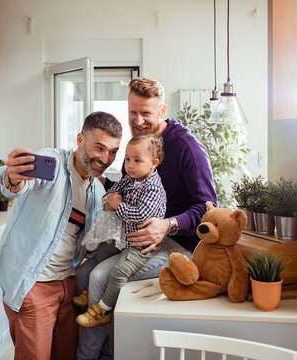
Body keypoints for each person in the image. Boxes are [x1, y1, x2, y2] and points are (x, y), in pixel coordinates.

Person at [76, 77, 218, 360]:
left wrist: (168, 225)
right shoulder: (140, 144)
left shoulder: (187, 148)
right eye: (132, 112)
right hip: (138, 239)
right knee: (81, 272)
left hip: (180, 247)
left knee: (100, 276)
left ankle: (86, 357)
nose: (138, 120)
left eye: (146, 114)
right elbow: (129, 188)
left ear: (162, 112)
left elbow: (210, 209)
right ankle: (101, 353)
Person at [0, 111, 122, 360]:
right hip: (34, 285)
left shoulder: (98, 189)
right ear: (81, 139)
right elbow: (18, 183)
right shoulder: (53, 164)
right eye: (99, 147)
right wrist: (13, 178)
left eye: (113, 151)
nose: (105, 158)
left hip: (68, 286)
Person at [74, 132, 166, 328]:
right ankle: (91, 291)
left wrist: (118, 206)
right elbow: (114, 190)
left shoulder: (154, 188)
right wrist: (109, 201)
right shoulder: (131, 178)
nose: (130, 165)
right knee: (102, 252)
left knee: (118, 272)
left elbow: (141, 214)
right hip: (125, 237)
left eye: (137, 160)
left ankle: (103, 309)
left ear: (153, 163)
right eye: (127, 159)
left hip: (142, 244)